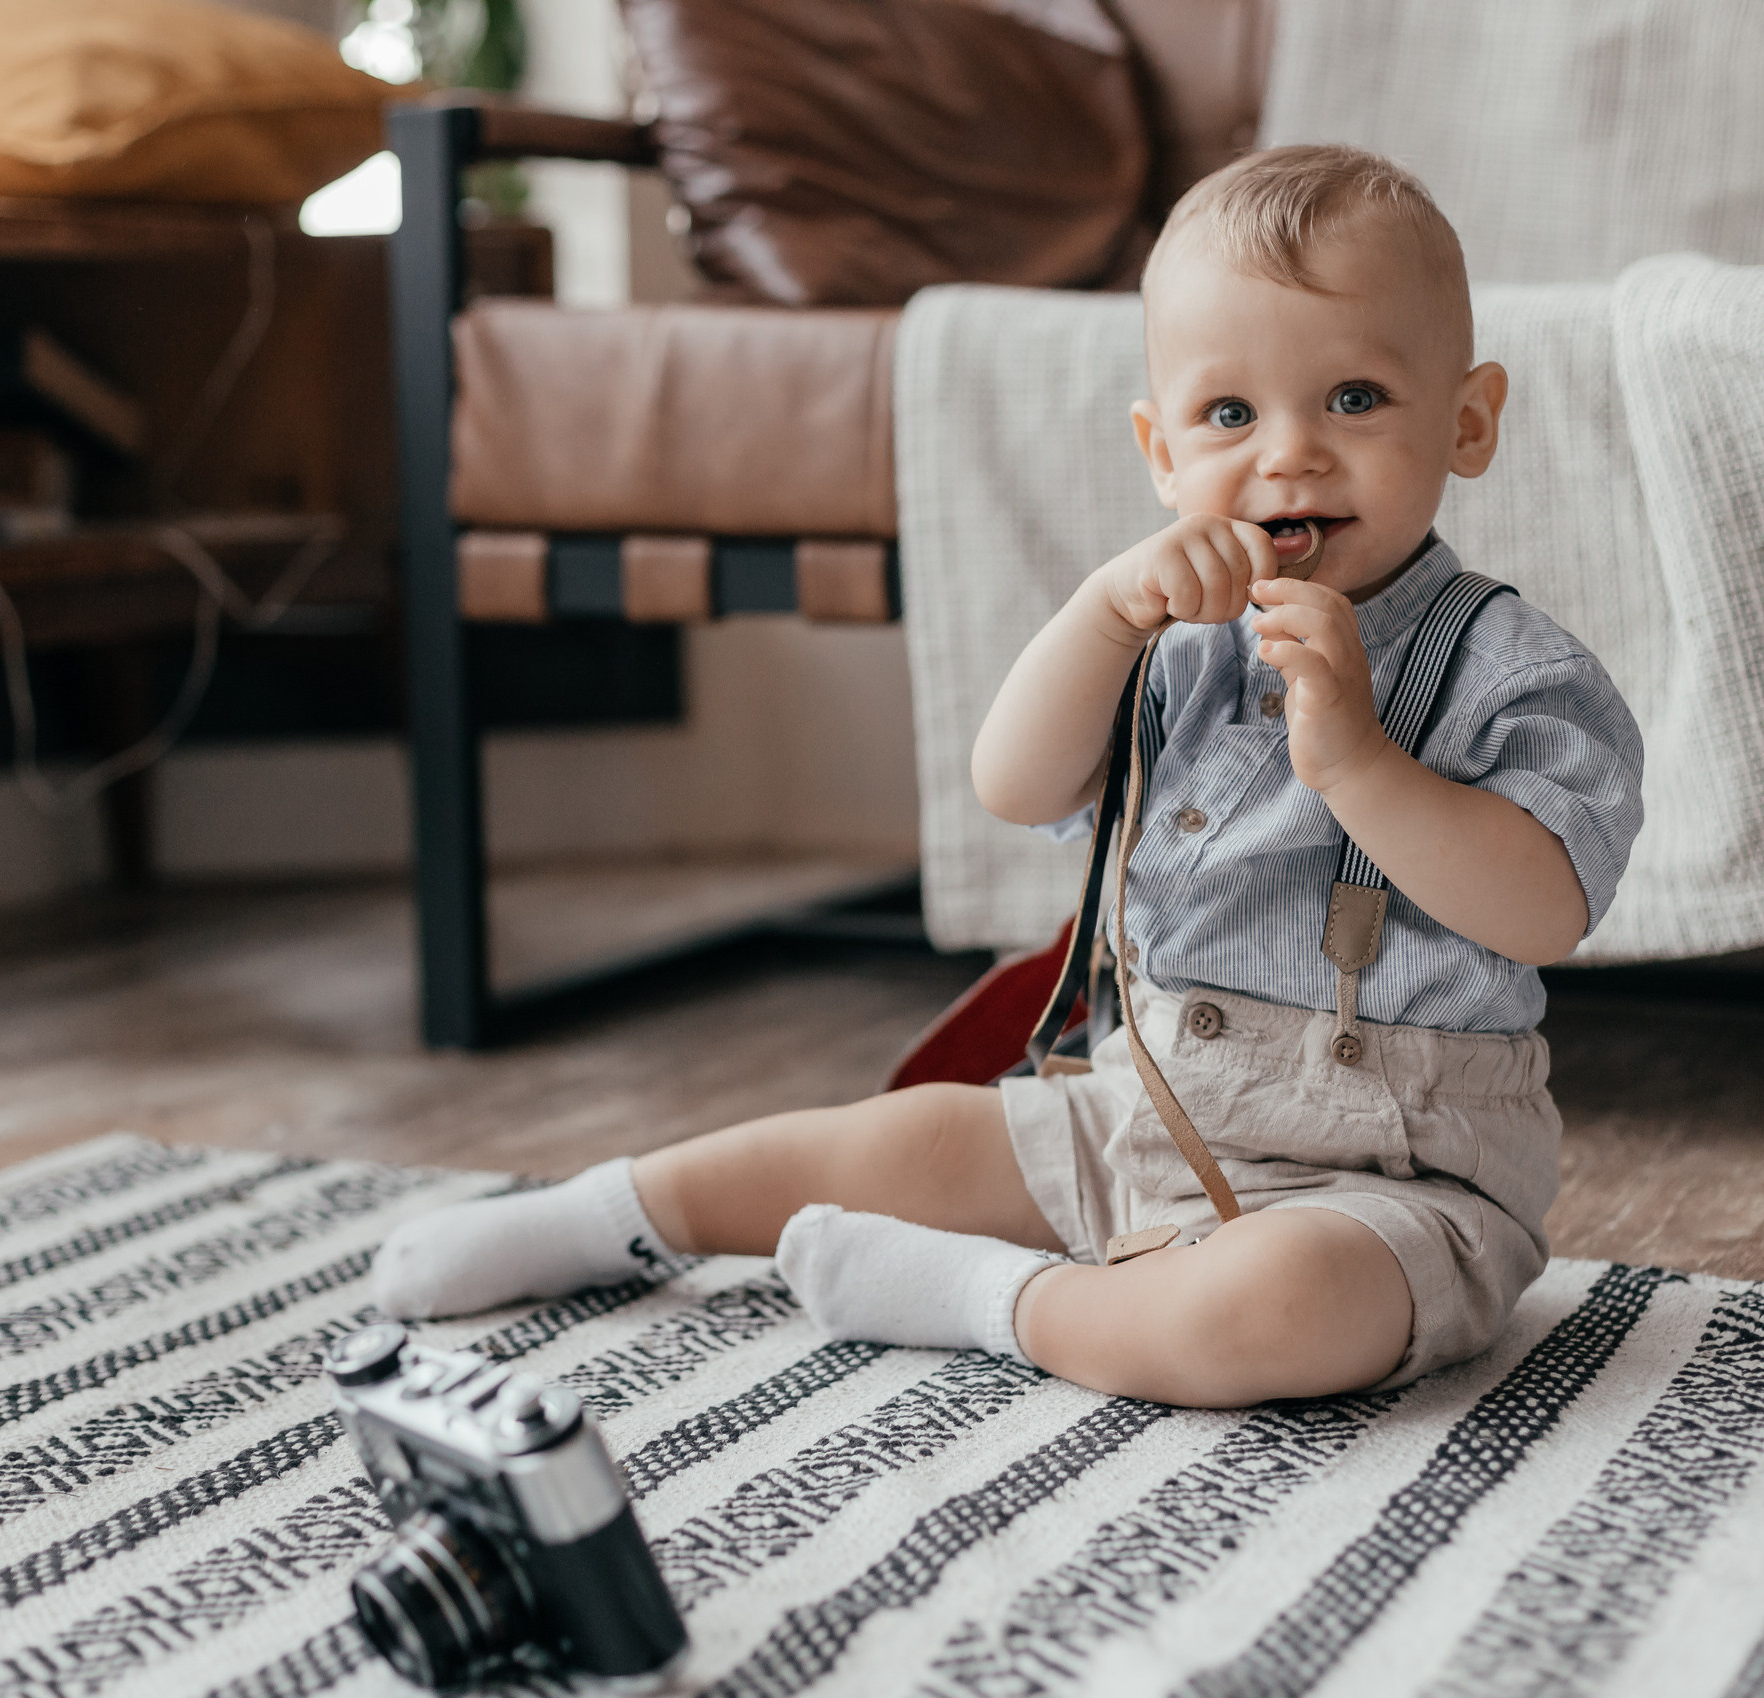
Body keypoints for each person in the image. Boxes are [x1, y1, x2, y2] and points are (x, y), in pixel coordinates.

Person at [372, 145, 1644, 1408]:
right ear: (1160, 451)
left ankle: (989, 1302)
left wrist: (1362, 763)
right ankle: (611, 1216)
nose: (1289, 456)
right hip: (1135, 1119)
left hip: (1391, 1189)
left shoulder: (1512, 668)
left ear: (1468, 420)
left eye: (1354, 398)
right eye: (1229, 415)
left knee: (1272, 1310)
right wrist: (1102, 616)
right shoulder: (1174, 646)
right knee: (900, 1135)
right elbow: (1017, 785)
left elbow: (1541, 911)